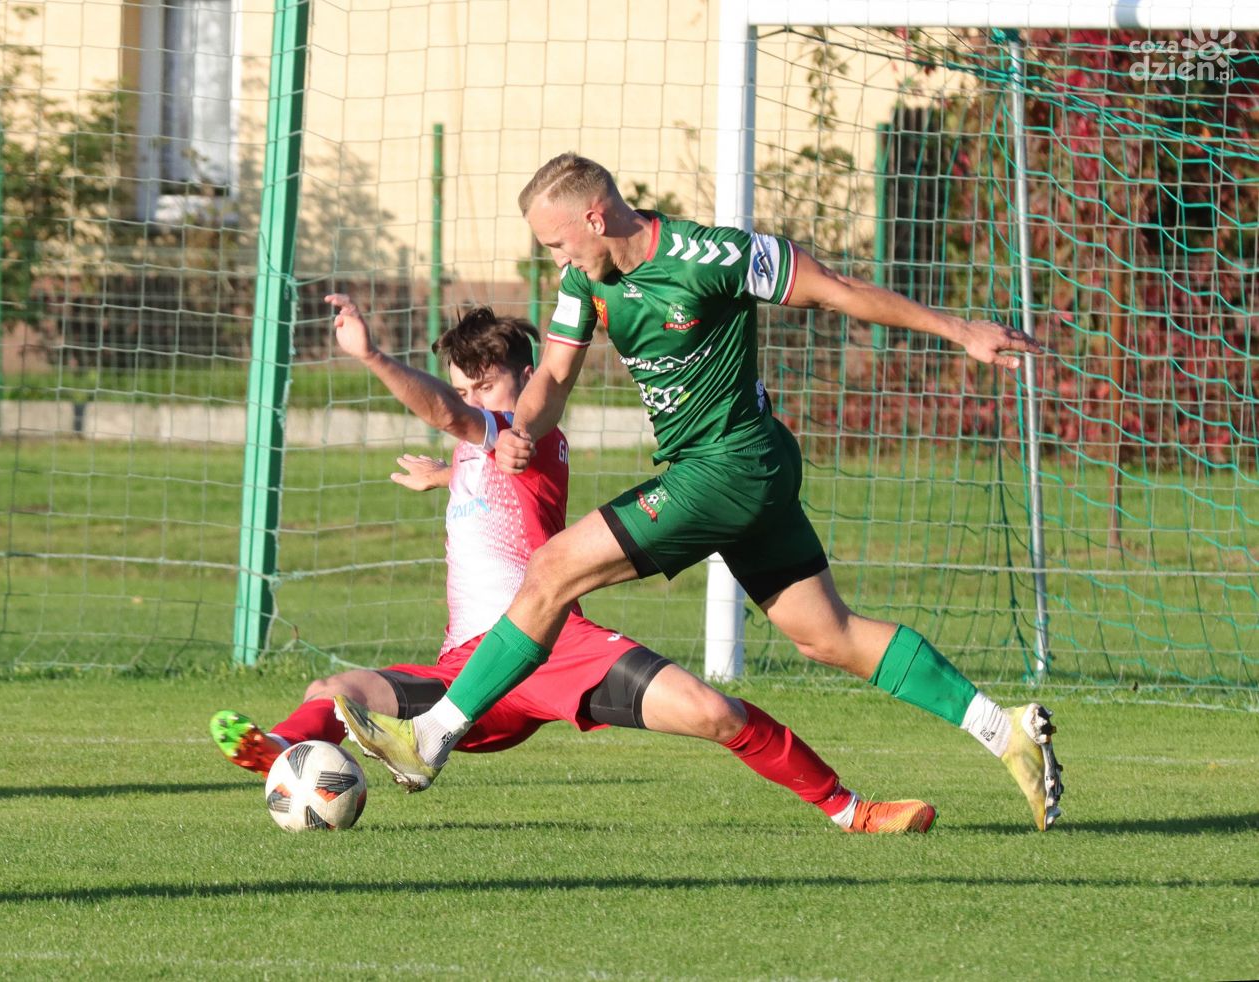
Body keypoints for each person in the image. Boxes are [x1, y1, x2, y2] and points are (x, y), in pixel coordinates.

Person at [335, 153, 1064, 831]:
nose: (553, 260)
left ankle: (430, 737)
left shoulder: (711, 255)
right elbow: (551, 379)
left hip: (730, 461)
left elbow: (839, 291)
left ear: (595, 217)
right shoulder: (586, 282)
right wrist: (520, 428)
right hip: (733, 472)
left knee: (553, 568)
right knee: (827, 636)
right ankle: (1006, 731)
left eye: (556, 244)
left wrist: (960, 328)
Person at [211, 303, 937, 834]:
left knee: (715, 713)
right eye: (465, 388)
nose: (473, 402)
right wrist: (445, 476)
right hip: (468, 669)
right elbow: (468, 449)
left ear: (527, 381)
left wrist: (372, 358)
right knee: (336, 689)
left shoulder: (529, 433)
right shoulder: (476, 451)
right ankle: (279, 750)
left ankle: (852, 810)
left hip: (558, 651)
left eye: (486, 387)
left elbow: (467, 431)